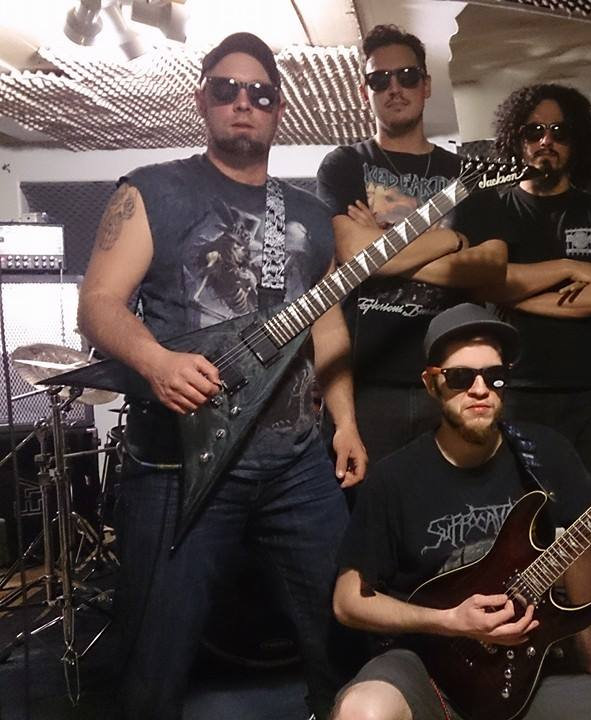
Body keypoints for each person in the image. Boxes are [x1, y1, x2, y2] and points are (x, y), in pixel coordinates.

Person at [76, 32, 366, 719]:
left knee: (344, 635)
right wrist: (156, 360)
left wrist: (346, 422)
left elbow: (327, 326)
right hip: (180, 463)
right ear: (201, 98)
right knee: (153, 658)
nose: (244, 102)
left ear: (279, 109)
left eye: (260, 93)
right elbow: (98, 304)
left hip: (296, 464)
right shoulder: (152, 191)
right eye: (226, 89)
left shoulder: (308, 215)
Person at [329, 302, 591, 720]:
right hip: (427, 661)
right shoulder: (394, 477)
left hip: (525, 664)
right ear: (432, 384)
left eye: (494, 376)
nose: (480, 390)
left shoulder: (543, 452)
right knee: (363, 711)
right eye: (460, 378)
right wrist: (450, 620)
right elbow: (348, 602)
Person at [316, 24, 507, 464]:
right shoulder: (344, 164)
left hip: (452, 383)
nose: (394, 88)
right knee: (364, 505)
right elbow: (351, 252)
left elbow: (492, 266)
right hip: (366, 384)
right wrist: (450, 241)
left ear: (426, 84)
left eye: (406, 76)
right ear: (364, 91)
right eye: (378, 79)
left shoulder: (469, 175)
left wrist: (380, 250)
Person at [487, 84, 591, 491]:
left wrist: (518, 293)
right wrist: (568, 267)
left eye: (559, 131)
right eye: (534, 131)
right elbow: (491, 283)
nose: (546, 141)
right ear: (517, 140)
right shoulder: (494, 210)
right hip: (519, 391)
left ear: (576, 141)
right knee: (524, 515)